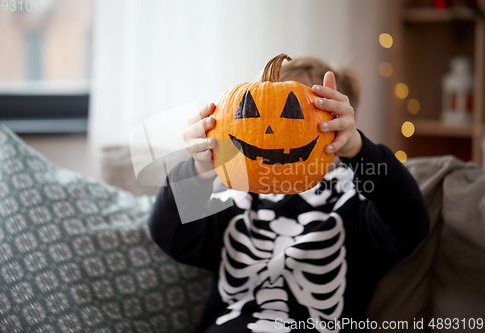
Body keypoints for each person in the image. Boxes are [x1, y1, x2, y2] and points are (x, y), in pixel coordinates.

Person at [148, 56, 429, 332]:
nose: (272, 132)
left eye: (296, 113)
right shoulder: (234, 198)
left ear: (338, 123)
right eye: (256, 113)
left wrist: (358, 149)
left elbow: (409, 224)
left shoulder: (353, 202)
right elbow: (169, 233)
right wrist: (199, 168)